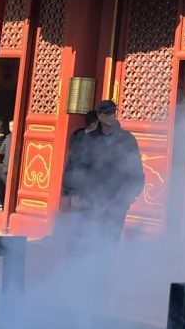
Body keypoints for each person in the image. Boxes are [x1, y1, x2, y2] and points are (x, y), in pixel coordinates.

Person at [60, 100, 144, 242]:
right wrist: (70, 193)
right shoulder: (88, 138)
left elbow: (136, 171)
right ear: (99, 116)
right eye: (107, 113)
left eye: (113, 112)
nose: (111, 116)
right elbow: (75, 167)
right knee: (87, 243)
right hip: (90, 200)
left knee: (109, 243)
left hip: (115, 202)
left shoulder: (127, 140)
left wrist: (127, 198)